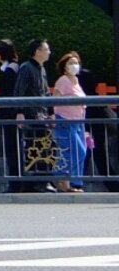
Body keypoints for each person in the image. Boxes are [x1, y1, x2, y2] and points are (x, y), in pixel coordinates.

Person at [14, 37, 56, 192]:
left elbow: (46, 92)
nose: (49, 52)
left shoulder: (42, 69)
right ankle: (36, 182)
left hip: (42, 114)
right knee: (34, 148)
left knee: (46, 147)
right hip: (32, 114)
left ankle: (44, 180)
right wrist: (20, 112)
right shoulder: (26, 68)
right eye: (46, 49)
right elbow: (19, 91)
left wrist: (51, 112)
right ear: (37, 51)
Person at [51, 51, 89, 192]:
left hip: (78, 122)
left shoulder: (76, 82)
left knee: (81, 151)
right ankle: (60, 177)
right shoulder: (63, 80)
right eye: (71, 63)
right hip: (65, 121)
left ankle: (73, 182)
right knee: (72, 150)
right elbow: (55, 99)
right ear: (65, 67)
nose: (74, 66)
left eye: (76, 63)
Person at [0, 38, 22, 191]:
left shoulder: (11, 71)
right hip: (13, 114)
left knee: (13, 149)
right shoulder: (14, 68)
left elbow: (12, 94)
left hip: (11, 115)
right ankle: (17, 181)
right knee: (14, 149)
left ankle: (16, 182)